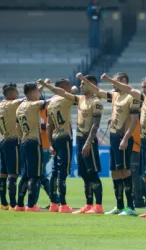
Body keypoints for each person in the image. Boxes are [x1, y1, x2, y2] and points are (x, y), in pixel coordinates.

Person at [77, 72, 140, 216]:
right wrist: (83, 79)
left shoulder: (133, 96)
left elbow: (134, 120)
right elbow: (98, 91)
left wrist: (125, 138)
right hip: (113, 136)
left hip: (123, 138)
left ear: (123, 81)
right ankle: (119, 206)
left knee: (125, 171)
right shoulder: (116, 95)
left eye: (115, 81)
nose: (112, 84)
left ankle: (130, 207)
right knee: (114, 172)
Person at [108, 76, 146, 219]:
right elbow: (129, 89)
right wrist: (111, 80)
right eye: (142, 87)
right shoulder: (145, 99)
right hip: (143, 142)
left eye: (145, 87)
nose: (143, 90)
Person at [42, 79, 78, 213]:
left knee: (55, 172)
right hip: (65, 137)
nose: (69, 89)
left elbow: (48, 125)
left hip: (55, 138)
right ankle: (63, 204)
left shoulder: (50, 103)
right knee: (63, 172)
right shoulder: (64, 98)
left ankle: (53, 204)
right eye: (67, 87)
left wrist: (51, 143)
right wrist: (73, 89)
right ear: (62, 88)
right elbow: (74, 92)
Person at [15, 82, 50, 212]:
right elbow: (49, 102)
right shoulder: (35, 104)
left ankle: (19, 205)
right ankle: (31, 205)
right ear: (32, 92)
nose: (39, 94)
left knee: (25, 176)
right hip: (34, 142)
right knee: (35, 175)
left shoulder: (20, 107)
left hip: (23, 142)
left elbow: (17, 128)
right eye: (37, 92)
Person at [0, 83, 22, 210]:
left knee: (3, 172)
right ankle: (13, 204)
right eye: (16, 92)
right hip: (13, 142)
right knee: (13, 173)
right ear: (11, 93)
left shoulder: (1, 105)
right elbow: (29, 99)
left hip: (3, 141)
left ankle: (3, 203)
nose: (18, 94)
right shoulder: (13, 104)